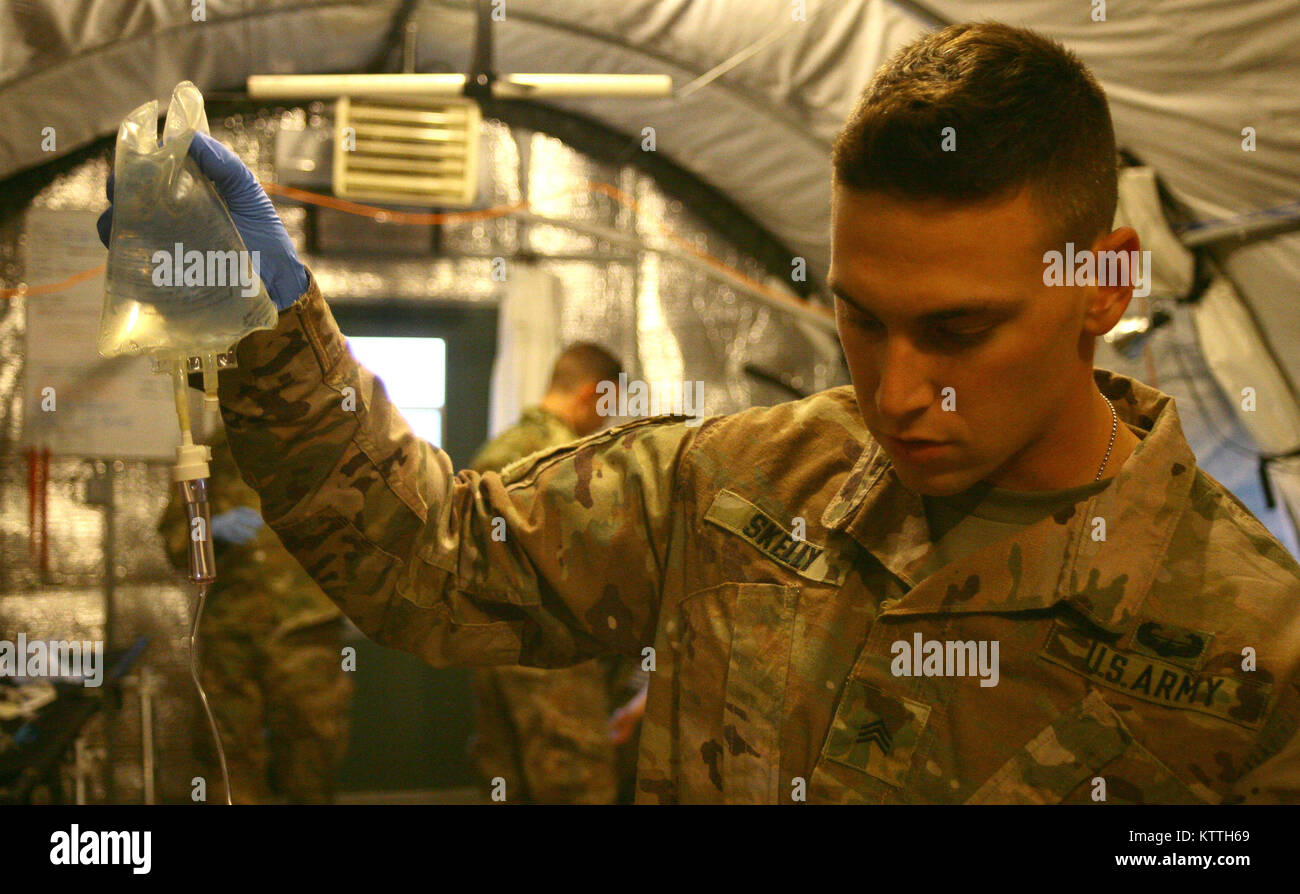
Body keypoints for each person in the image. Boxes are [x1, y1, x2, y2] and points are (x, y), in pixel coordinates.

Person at [103, 22, 1300, 803]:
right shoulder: (742, 485)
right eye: (860, 317)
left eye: (956, 331)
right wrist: (264, 324)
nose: (890, 392)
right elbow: (437, 562)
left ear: (1102, 286)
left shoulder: (1249, 657)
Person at [467, 343, 641, 804]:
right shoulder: (566, 459)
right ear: (589, 395)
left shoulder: (499, 448)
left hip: (492, 648)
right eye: (608, 407)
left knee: (505, 779)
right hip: (552, 655)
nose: (607, 422)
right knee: (577, 784)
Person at [159, 423, 352, 804]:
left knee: (312, 748)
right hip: (232, 630)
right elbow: (174, 541)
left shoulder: (322, 444)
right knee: (228, 753)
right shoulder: (205, 456)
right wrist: (206, 529)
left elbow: (361, 523)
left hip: (306, 626)